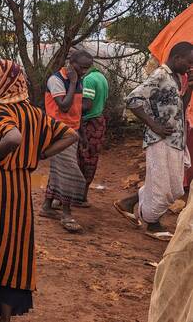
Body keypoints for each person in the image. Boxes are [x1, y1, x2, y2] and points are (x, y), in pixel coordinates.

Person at [0, 60, 78, 322]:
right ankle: (6, 318)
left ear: (2, 84)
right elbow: (70, 135)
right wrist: (41, 153)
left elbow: (13, 138)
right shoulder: (33, 113)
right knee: (13, 253)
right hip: (19, 194)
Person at [114, 41, 193, 241]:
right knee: (161, 186)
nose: (190, 67)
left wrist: (190, 87)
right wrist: (154, 126)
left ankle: (128, 203)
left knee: (174, 187)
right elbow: (133, 99)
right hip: (160, 140)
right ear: (177, 58)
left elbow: (180, 110)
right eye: (189, 62)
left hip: (175, 140)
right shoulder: (160, 75)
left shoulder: (176, 78)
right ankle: (152, 224)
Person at [39, 50, 93, 233]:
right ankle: (66, 213)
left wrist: (82, 135)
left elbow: (77, 111)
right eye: (82, 66)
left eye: (88, 67)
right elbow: (64, 106)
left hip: (72, 132)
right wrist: (72, 82)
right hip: (58, 132)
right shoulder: (56, 80)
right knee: (70, 171)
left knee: (59, 170)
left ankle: (47, 206)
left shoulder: (78, 80)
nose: (84, 70)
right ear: (71, 62)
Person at [77, 64, 109, 205]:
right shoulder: (101, 77)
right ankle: (82, 196)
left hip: (89, 123)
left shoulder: (88, 79)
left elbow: (87, 104)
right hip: (99, 121)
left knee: (82, 159)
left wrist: (71, 107)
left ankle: (76, 196)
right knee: (91, 159)